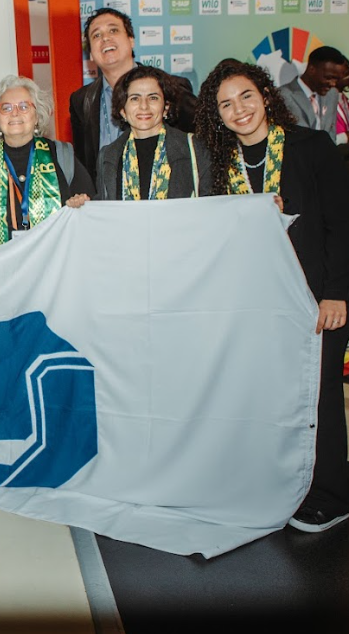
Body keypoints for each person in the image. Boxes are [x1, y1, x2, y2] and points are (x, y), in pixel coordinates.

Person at [195, 59, 349, 533]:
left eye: (245, 96)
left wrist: (337, 293)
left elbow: (341, 223)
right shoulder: (221, 166)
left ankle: (331, 494)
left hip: (315, 298)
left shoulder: (311, 147)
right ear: (216, 115)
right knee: (272, 396)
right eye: (225, 104)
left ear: (265, 94)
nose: (238, 109)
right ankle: (284, 485)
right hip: (258, 303)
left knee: (319, 395)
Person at [0, 76, 95, 250]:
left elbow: (90, 210)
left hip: (56, 269)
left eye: (24, 107)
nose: (15, 113)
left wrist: (81, 203)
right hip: (0, 271)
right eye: (6, 108)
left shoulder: (63, 156)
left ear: (37, 116)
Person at [69, 8, 197, 183]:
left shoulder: (171, 87)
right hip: (108, 203)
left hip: (164, 197)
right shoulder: (81, 100)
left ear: (131, 41)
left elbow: (198, 146)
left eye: (113, 30)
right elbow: (83, 164)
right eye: (96, 35)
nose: (105, 38)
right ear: (91, 53)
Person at [97, 66, 211, 200]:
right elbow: (103, 207)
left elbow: (209, 207)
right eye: (135, 98)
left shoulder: (194, 148)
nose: (144, 106)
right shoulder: (108, 156)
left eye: (153, 98)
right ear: (123, 110)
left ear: (166, 107)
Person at [278, 46, 347, 142]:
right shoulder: (284, 95)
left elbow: (331, 135)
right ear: (311, 69)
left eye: (336, 79)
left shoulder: (332, 94)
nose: (333, 83)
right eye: (328, 77)